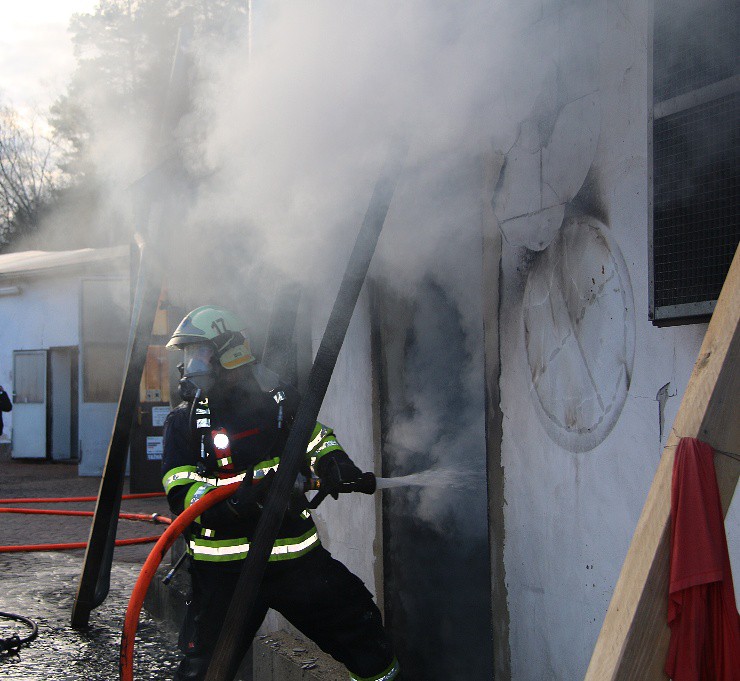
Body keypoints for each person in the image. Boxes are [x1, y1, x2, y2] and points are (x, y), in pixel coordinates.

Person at [161, 305, 400, 681]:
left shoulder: (278, 401)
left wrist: (334, 462)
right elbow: (182, 492)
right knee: (204, 673)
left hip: (295, 563)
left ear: (229, 353)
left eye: (199, 353)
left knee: (366, 639)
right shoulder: (184, 422)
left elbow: (314, 437)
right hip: (224, 575)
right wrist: (233, 504)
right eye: (188, 355)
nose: (190, 366)